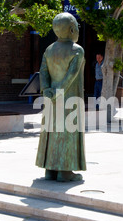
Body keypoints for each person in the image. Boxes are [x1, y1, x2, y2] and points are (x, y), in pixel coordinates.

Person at [35, 12, 86, 182]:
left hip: (51, 97)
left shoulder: (49, 49)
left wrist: (46, 89)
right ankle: (65, 171)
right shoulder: (77, 50)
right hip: (68, 98)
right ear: (72, 29)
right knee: (67, 132)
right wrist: (59, 91)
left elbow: (42, 72)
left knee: (51, 130)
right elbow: (71, 75)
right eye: (77, 26)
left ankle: (50, 169)